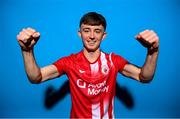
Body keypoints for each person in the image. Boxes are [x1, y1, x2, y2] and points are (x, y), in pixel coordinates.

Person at [16, 12, 159, 118]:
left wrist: (153, 52)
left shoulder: (113, 61)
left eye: (97, 31)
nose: (91, 36)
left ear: (104, 36)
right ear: (80, 34)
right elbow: (36, 77)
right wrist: (27, 50)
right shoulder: (70, 62)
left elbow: (144, 77)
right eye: (86, 30)